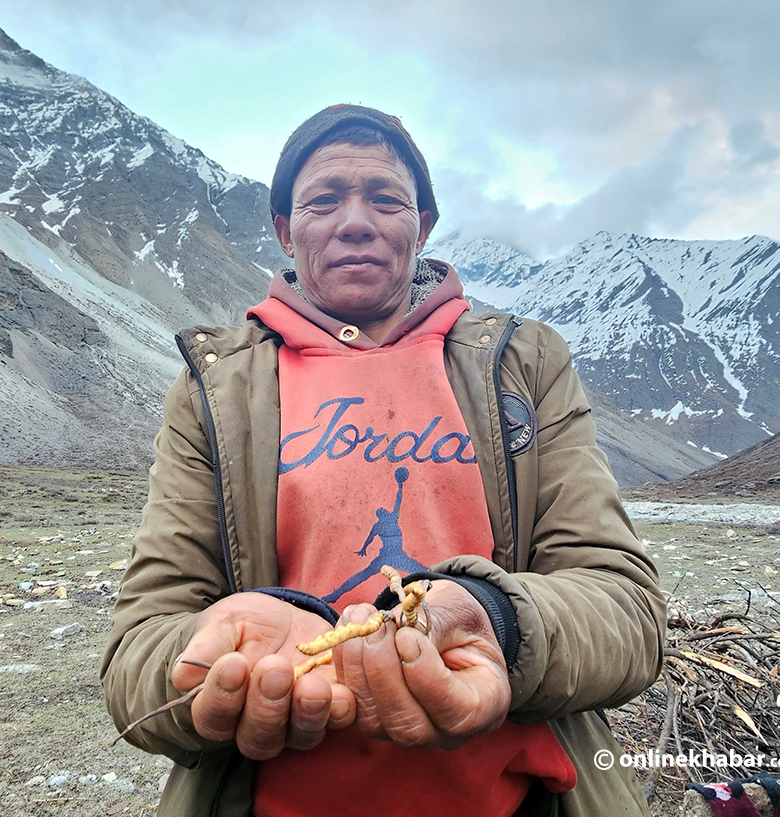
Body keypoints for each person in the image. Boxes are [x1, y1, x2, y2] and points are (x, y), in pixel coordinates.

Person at [102, 104, 665, 817]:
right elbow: (137, 662)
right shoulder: (218, 386)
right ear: (285, 231)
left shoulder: (522, 363)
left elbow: (626, 609)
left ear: (422, 226)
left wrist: (497, 620)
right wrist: (229, 653)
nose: (356, 221)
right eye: (325, 200)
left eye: (385, 198)